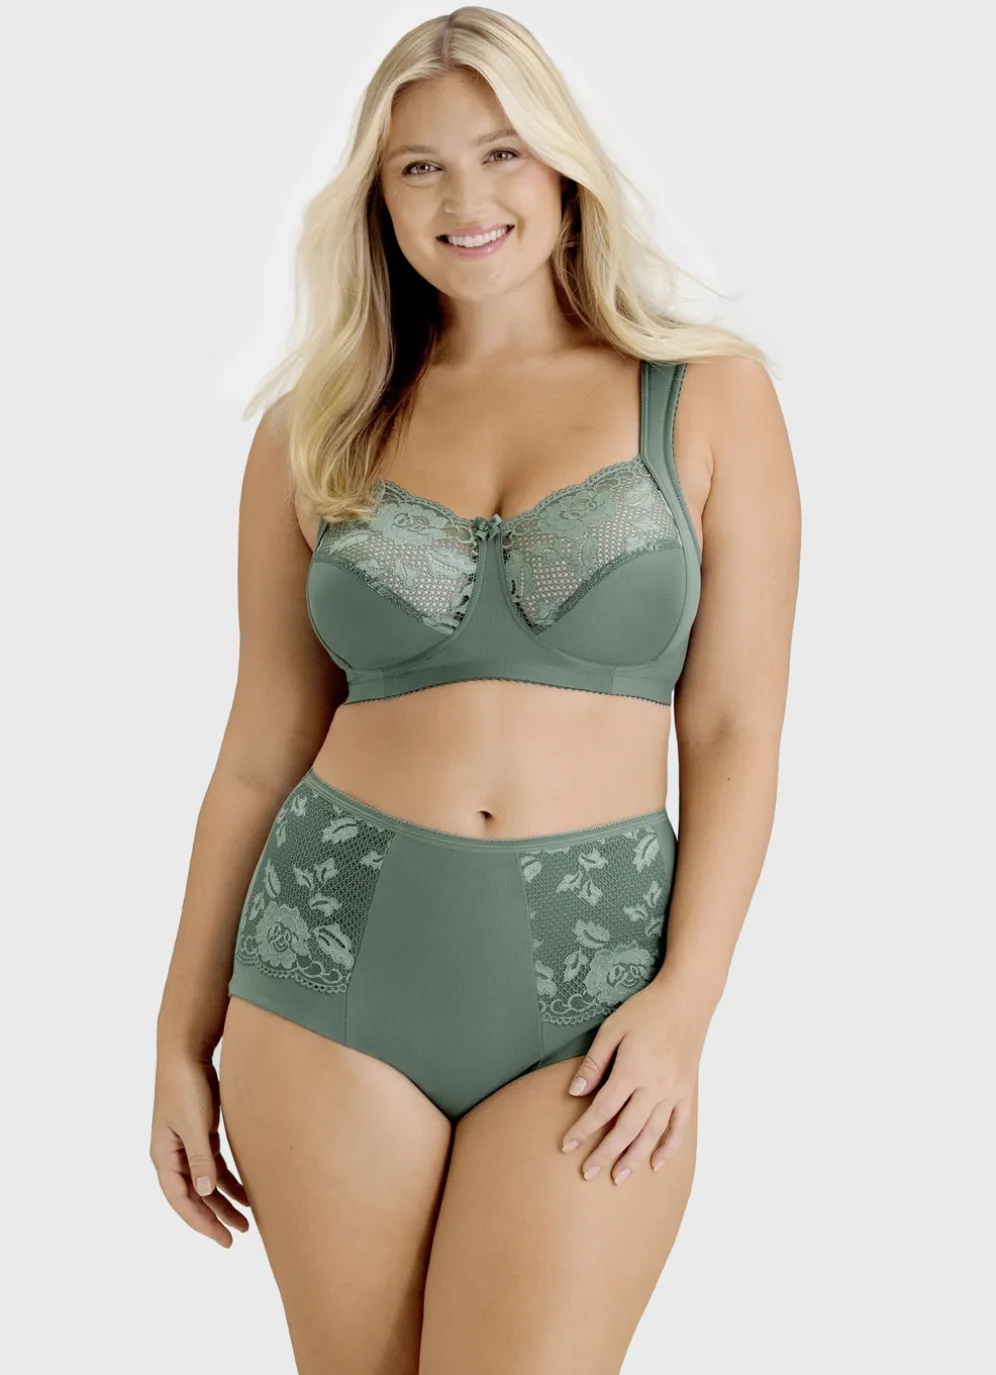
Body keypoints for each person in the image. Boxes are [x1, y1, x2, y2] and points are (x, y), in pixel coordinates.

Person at [151, 8, 800, 1373]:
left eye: (501, 152)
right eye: (420, 168)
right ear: (379, 204)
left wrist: (687, 1001)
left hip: (593, 993)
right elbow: (260, 746)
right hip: (329, 969)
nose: (467, 198)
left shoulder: (707, 396)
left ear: (562, 167)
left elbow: (736, 725)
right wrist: (177, 1033)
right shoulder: (314, 427)